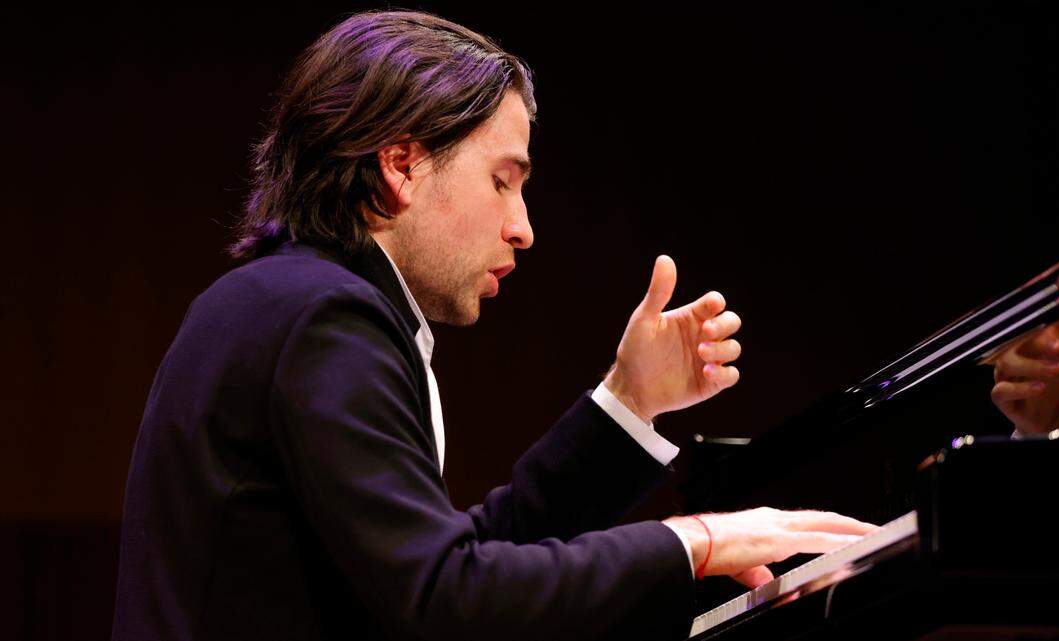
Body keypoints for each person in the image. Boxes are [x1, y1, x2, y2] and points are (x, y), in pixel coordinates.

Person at [111, 11, 875, 641]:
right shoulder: (325, 319)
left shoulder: (284, 299)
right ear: (401, 167)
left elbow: (452, 558)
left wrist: (627, 402)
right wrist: (694, 541)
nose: (524, 227)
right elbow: (447, 595)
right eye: (502, 180)